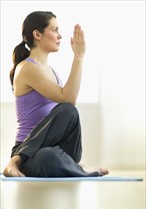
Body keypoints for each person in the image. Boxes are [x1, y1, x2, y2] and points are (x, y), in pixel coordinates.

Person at [3, 11, 109, 178]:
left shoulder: (52, 72)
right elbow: (69, 98)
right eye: (55, 30)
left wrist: (79, 57)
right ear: (37, 34)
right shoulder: (27, 68)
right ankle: (16, 160)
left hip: (53, 148)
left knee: (69, 112)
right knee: (49, 157)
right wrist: (78, 57)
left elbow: (68, 102)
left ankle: (73, 165)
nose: (60, 36)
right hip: (28, 152)